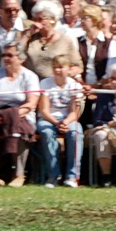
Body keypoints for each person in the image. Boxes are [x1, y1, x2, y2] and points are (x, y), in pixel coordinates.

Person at [0, 45, 39, 185]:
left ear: (21, 59)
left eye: (10, 55)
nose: (6, 59)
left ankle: (19, 174)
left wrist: (8, 117)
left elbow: (31, 104)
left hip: (20, 113)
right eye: (4, 55)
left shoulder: (30, 76)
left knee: (23, 128)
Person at [34, 54, 84, 187]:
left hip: (68, 119)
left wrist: (66, 122)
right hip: (48, 118)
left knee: (76, 133)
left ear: (68, 69)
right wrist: (57, 123)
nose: (57, 70)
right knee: (47, 132)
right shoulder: (45, 83)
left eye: (61, 67)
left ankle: (72, 176)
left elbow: (75, 111)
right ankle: (53, 176)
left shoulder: (75, 86)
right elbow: (44, 110)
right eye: (55, 67)